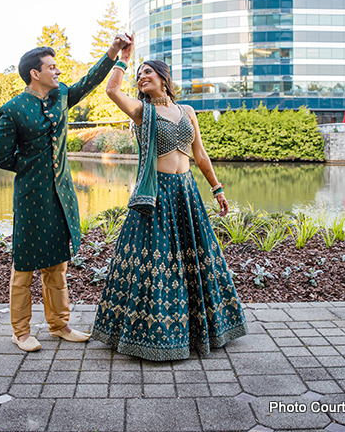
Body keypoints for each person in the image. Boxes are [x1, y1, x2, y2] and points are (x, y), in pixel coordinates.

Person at [90, 45, 248, 360]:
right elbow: (111, 89)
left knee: (195, 260)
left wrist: (217, 188)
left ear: (164, 77)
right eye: (138, 75)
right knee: (157, 264)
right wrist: (123, 58)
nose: (141, 77)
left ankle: (202, 330)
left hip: (186, 193)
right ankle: (152, 337)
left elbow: (200, 154)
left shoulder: (187, 111)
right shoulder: (141, 111)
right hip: (156, 194)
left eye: (147, 72)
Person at [0, 33, 132, 352]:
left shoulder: (61, 97)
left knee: (57, 264)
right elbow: (1, 158)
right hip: (30, 197)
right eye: (52, 67)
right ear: (35, 73)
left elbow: (90, 80)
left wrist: (114, 52)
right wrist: (32, 168)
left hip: (62, 197)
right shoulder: (12, 110)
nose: (58, 72)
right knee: (25, 265)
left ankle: (59, 325)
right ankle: (21, 331)